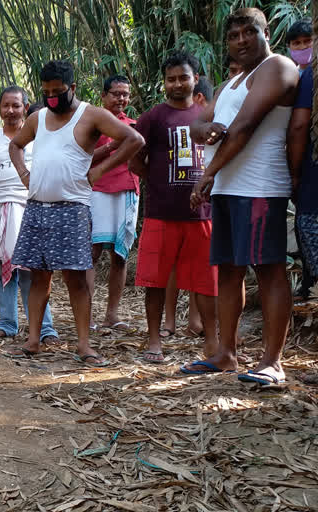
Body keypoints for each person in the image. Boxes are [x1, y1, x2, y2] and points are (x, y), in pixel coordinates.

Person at [188, 8, 298, 386]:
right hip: (228, 189)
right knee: (230, 272)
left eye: (249, 32)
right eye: (233, 35)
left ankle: (273, 362)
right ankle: (226, 354)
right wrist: (204, 130)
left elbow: (245, 126)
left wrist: (208, 172)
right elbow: (199, 123)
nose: (241, 40)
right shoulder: (230, 83)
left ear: (266, 33)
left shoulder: (277, 67)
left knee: (269, 270)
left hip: (261, 186)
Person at [5, 60, 143, 362]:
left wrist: (100, 170)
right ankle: (33, 341)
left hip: (73, 210)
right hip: (37, 208)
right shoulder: (38, 117)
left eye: (58, 91)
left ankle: (84, 345)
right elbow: (15, 146)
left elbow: (134, 139)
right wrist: (24, 174)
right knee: (39, 277)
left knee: (76, 278)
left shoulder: (91, 115)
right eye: (47, 92)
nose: (53, 97)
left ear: (73, 88)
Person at [129, 52, 219, 364]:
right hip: (161, 213)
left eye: (183, 77)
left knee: (207, 281)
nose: (177, 83)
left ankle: (212, 342)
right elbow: (134, 156)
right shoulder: (153, 117)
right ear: (164, 82)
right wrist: (154, 179)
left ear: (196, 79)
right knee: (155, 279)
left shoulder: (208, 114)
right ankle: (154, 340)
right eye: (171, 78)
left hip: (202, 214)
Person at [0, 86, 59, 343]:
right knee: (0, 269)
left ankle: (44, 328)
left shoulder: (41, 137)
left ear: (25, 107)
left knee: (34, 269)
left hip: (32, 209)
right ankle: (7, 323)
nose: (10, 111)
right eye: (5, 106)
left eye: (16, 106)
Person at [160, 75, 215, 338]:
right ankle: (169, 322)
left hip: (204, 207)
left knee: (198, 262)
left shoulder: (212, 127)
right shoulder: (176, 123)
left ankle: (194, 321)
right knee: (173, 262)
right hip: (176, 202)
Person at [85, 75, 139, 331]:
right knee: (92, 253)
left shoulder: (134, 124)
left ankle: (112, 315)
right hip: (99, 190)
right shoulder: (93, 124)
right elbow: (82, 159)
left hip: (129, 191)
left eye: (125, 94)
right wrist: (111, 147)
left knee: (120, 254)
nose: (121, 99)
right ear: (103, 96)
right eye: (116, 94)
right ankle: (87, 315)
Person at [285, 19, 316, 300]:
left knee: (308, 222)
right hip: (303, 160)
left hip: (308, 165)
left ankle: (312, 287)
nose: (304, 47)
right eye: (297, 43)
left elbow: (298, 126)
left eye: (309, 40)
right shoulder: (291, 77)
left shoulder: (310, 76)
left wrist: (294, 172)